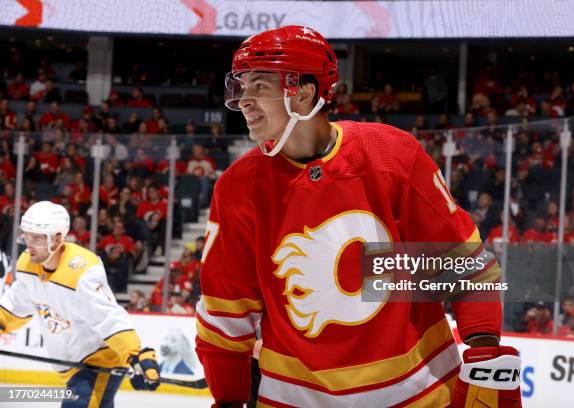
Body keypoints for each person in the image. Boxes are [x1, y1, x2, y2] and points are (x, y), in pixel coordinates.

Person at [195, 26, 521, 407]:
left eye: (260, 87)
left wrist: (484, 350)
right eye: (242, 86)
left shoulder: (392, 154)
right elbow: (225, 313)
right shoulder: (237, 188)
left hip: (420, 395)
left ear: (303, 93)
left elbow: (464, 265)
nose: (244, 101)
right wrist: (229, 397)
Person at [0, 201, 160, 407]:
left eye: (37, 238)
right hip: (72, 364)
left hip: (99, 359)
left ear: (57, 238)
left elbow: (110, 318)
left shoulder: (82, 271)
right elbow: (14, 308)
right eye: (27, 235)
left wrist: (135, 354)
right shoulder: (27, 264)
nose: (29, 244)